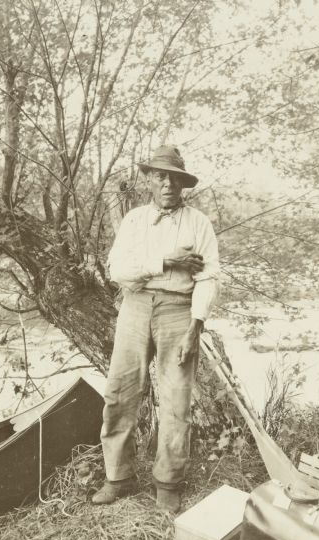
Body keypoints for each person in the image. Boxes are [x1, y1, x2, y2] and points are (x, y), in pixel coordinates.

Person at [92, 145, 220, 513]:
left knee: (176, 397)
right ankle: (118, 476)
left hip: (178, 312)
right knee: (120, 390)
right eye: (160, 176)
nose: (167, 183)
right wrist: (166, 260)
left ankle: (168, 481)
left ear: (183, 182)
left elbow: (209, 277)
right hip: (134, 308)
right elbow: (119, 269)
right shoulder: (133, 221)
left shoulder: (199, 223)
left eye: (174, 177)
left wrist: (195, 327)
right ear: (148, 180)